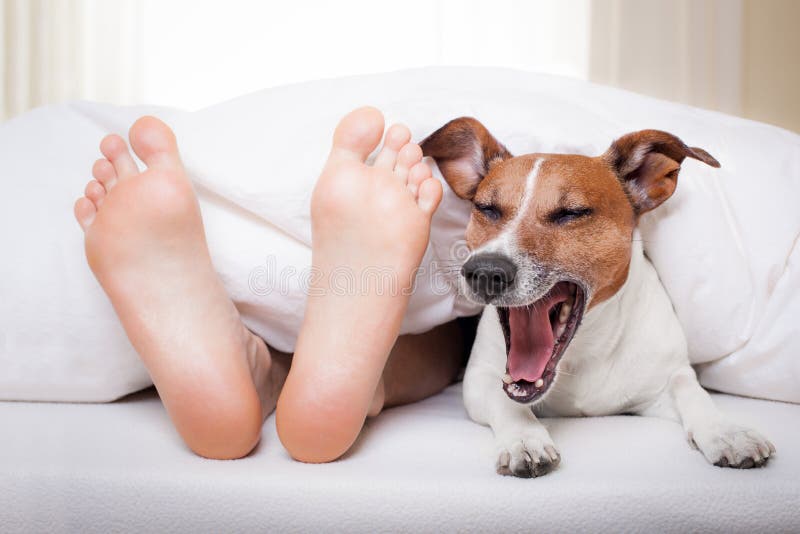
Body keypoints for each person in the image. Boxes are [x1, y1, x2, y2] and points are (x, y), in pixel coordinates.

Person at [73, 107, 469, 463]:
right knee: (455, 340)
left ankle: (262, 372)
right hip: (423, 344)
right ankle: (368, 386)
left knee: (460, 336)